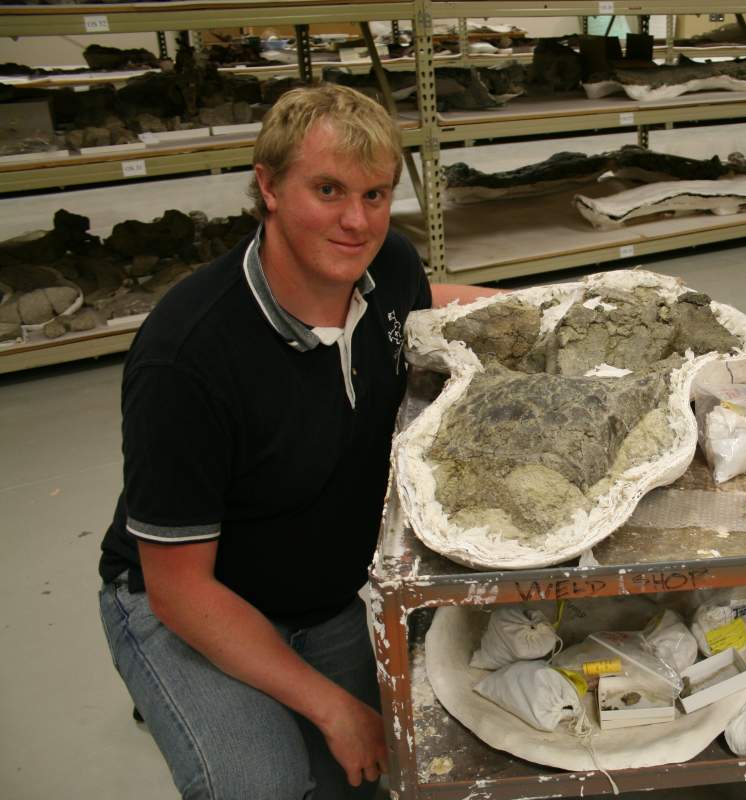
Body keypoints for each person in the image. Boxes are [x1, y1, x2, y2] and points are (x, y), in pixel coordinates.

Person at [97, 84, 497, 799]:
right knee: (265, 785)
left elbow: (428, 300)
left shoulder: (386, 270)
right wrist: (330, 706)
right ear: (269, 187)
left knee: (411, 759)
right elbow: (180, 590)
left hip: (319, 598)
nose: (356, 220)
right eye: (328, 189)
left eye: (376, 195)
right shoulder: (188, 359)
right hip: (196, 602)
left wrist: (575, 299)